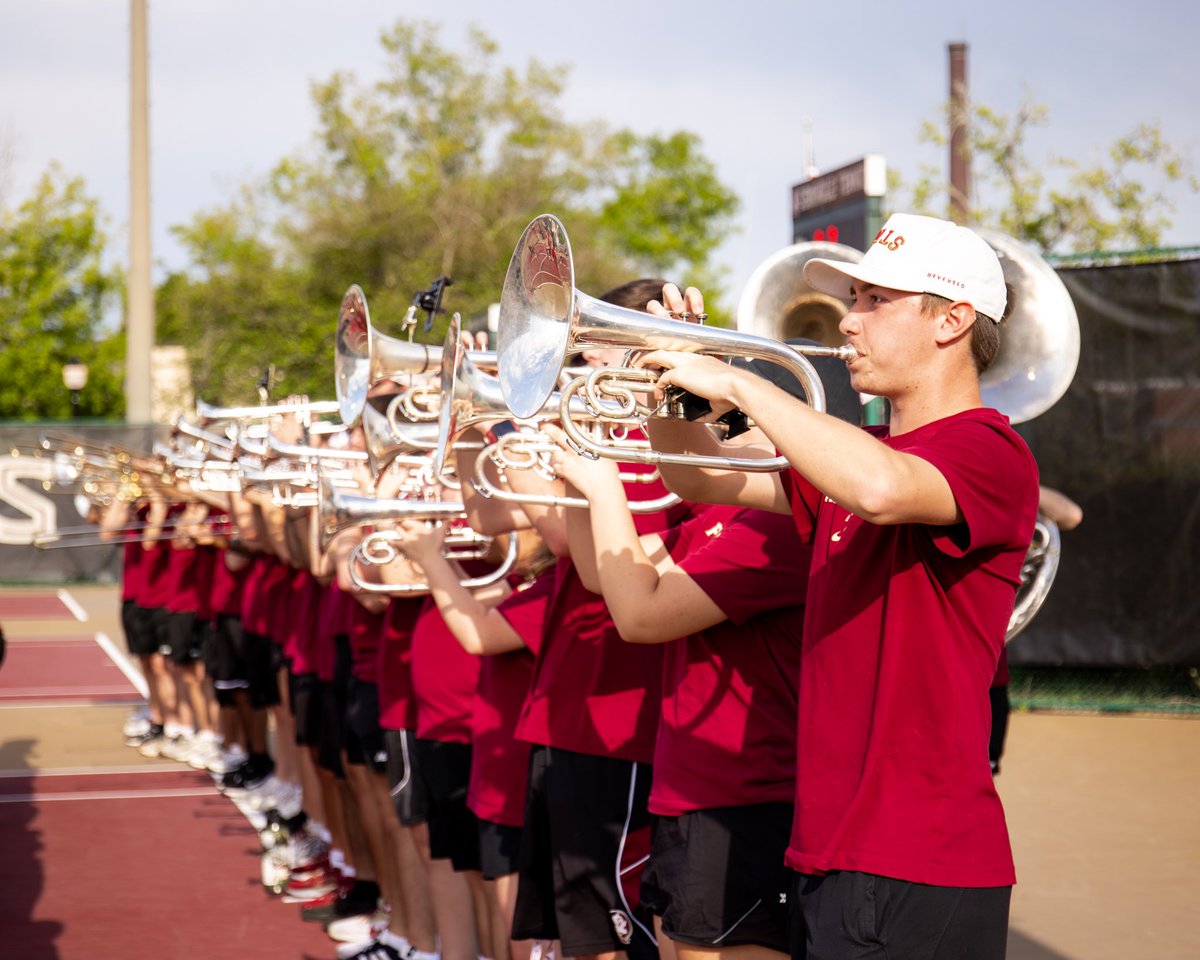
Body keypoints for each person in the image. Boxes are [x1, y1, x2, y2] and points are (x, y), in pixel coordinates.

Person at [637, 214, 1040, 960]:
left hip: (924, 856)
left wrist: (731, 378)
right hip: (829, 847)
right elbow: (697, 475)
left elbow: (884, 489)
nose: (849, 323)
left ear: (952, 320)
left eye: (874, 301)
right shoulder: (859, 456)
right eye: (851, 300)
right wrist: (664, 382)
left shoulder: (989, 448)